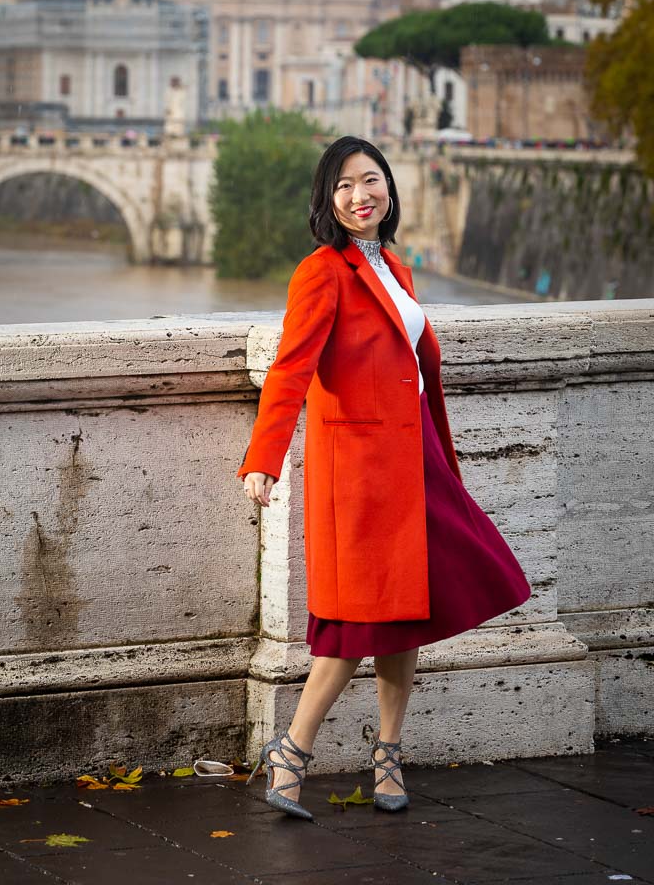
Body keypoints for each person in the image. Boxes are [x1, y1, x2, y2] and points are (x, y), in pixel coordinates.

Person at [239, 135, 532, 821]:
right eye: (343, 185)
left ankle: (388, 759)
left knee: (411, 614)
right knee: (352, 624)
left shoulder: (395, 268)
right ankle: (292, 751)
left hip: (417, 460)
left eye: (370, 181)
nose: (359, 195)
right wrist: (263, 457)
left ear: (390, 191)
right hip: (363, 474)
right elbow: (290, 368)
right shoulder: (322, 271)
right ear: (326, 198)